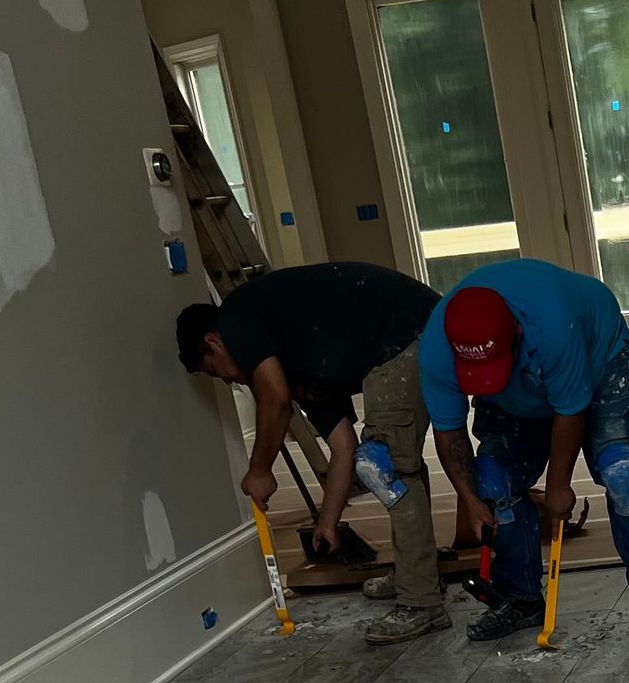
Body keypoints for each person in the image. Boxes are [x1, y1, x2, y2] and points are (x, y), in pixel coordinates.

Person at [176, 262, 445, 646]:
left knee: (387, 466)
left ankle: (422, 602)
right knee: (382, 463)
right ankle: (415, 576)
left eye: (217, 372)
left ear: (214, 342)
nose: (231, 380)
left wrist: (259, 470)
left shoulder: (235, 317)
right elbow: (343, 446)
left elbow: (276, 400)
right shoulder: (301, 363)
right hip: (407, 335)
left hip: (407, 334)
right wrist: (327, 523)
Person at [418, 259, 629, 641]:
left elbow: (569, 411)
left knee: (622, 472)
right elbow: (448, 432)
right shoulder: (438, 350)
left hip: (597, 356)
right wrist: (471, 500)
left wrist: (558, 486)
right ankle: (521, 598)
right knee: (492, 484)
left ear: (517, 331)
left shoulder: (557, 325)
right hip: (515, 391)